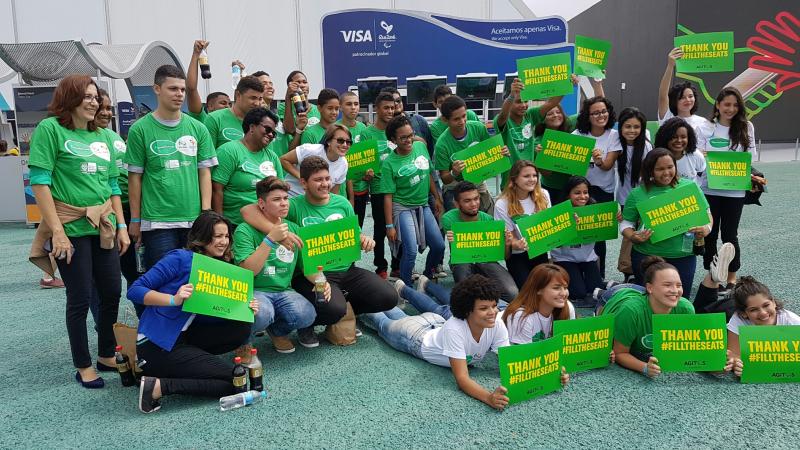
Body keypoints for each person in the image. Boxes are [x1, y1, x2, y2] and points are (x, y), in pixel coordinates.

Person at [28, 74, 129, 388]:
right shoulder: (51, 130)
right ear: (69, 98)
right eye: (86, 96)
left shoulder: (101, 136)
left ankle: (106, 354)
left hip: (104, 225)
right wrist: (56, 232)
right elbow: (41, 182)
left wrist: (122, 226)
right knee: (80, 296)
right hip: (70, 226)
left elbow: (113, 185)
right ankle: (83, 364)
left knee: (112, 290)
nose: (94, 102)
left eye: (95, 96)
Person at [242, 156, 398, 343]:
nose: (325, 184)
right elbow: (247, 211)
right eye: (318, 180)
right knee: (333, 309)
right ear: (304, 182)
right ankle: (309, 323)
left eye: (327, 178)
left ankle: (346, 311)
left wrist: (364, 240)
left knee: (388, 297)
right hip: (310, 273)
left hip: (346, 270)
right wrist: (277, 234)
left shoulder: (342, 203)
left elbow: (354, 235)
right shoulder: (293, 205)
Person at [129, 211, 259, 413]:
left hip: (184, 338)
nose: (223, 242)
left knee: (241, 326)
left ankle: (175, 370)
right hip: (156, 344)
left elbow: (208, 315)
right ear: (202, 236)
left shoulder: (220, 267)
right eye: (217, 236)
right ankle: (158, 387)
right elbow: (135, 290)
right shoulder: (179, 258)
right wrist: (174, 299)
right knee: (235, 380)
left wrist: (244, 307)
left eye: (226, 236)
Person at [360, 275, 517, 410]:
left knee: (397, 315)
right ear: (468, 310)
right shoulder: (455, 328)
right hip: (413, 336)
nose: (493, 312)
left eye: (494, 306)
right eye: (484, 308)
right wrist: (489, 397)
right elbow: (462, 379)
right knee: (377, 320)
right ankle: (356, 297)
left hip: (435, 322)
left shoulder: (496, 323)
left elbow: (508, 362)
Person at [125, 65, 217, 278]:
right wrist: (136, 220)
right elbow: (135, 178)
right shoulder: (140, 129)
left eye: (182, 90)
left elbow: (205, 173)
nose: (179, 94)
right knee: (163, 281)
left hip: (194, 220)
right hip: (157, 222)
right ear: (157, 89)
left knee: (195, 280)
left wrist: (205, 213)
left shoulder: (198, 128)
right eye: (173, 89)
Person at [233, 177, 318, 353]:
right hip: (254, 290)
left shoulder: (293, 229)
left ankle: (277, 332)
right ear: (261, 204)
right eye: (276, 199)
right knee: (262, 314)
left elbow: (307, 267)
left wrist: (320, 281)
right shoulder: (244, 230)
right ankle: (243, 342)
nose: (284, 203)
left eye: (285, 198)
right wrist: (270, 239)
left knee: (308, 315)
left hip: (283, 290)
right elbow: (248, 271)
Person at [697, 87, 764, 291]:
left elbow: (749, 157)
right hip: (708, 189)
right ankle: (713, 277)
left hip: (735, 190)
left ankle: (732, 278)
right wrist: (704, 154)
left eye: (735, 105)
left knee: (730, 234)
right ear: (717, 105)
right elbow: (698, 157)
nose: (731, 109)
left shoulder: (746, 127)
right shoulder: (705, 127)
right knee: (710, 234)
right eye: (727, 104)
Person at [620, 148, 712, 295]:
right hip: (647, 256)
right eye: (660, 169)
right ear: (650, 170)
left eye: (670, 167)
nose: (666, 172)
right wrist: (632, 236)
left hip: (683, 256)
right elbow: (626, 223)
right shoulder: (637, 194)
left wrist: (707, 228)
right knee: (648, 300)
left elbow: (707, 213)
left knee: (680, 299)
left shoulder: (689, 186)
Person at [601, 256, 695, 378]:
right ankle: (604, 291)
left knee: (645, 295)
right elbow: (620, 353)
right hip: (615, 296)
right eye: (667, 285)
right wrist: (644, 367)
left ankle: (638, 288)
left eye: (679, 285)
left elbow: (690, 349)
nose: (675, 290)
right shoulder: (630, 311)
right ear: (650, 287)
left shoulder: (686, 309)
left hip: (646, 295)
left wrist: (718, 362)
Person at [381, 114, 445, 285]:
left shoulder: (420, 147)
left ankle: (426, 277)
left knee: (439, 246)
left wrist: (437, 198)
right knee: (410, 251)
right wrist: (389, 226)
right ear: (393, 140)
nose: (409, 140)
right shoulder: (389, 163)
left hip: (423, 204)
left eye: (410, 135)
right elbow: (387, 197)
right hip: (401, 207)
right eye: (403, 138)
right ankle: (404, 287)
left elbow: (429, 174)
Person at [440, 181, 518, 302]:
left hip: (487, 260)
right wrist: (452, 239)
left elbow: (505, 256)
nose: (474, 204)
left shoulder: (489, 220)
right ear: (456, 204)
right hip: (462, 260)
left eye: (476, 199)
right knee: (466, 296)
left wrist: (507, 244)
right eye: (467, 201)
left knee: (512, 294)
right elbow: (458, 251)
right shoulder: (449, 218)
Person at [573, 96, 621, 279]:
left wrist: (599, 160)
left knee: (598, 236)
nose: (600, 115)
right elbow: (566, 161)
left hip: (603, 192)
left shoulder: (614, 135)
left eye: (603, 111)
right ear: (588, 115)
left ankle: (598, 276)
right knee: (579, 233)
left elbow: (608, 165)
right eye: (595, 113)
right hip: (581, 189)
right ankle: (577, 273)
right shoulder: (578, 135)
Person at [435, 94, 507, 213]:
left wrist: (502, 153)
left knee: (490, 217)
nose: (462, 121)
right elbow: (445, 178)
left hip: (478, 181)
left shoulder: (478, 128)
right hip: (455, 186)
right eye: (456, 119)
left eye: (464, 116)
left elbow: (493, 152)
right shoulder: (442, 144)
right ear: (446, 120)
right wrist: (454, 172)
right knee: (457, 221)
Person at [211, 107, 283, 227]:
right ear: (252, 127)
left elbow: (280, 190)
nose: (270, 134)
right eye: (267, 129)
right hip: (236, 224)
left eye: (273, 133)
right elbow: (216, 190)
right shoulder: (229, 151)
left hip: (268, 224)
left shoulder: (272, 157)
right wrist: (221, 225)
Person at [724, 275, 800, 377]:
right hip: (724, 311)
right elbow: (733, 354)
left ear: (773, 302)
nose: (763, 313)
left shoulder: (792, 321)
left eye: (766, 305)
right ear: (744, 313)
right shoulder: (738, 319)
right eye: (753, 309)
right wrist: (738, 365)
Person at [358, 92, 399, 278]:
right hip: (378, 190)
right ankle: (381, 267)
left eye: (392, 107)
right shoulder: (367, 133)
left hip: (399, 189)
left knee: (399, 229)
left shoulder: (397, 129)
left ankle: (397, 265)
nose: (390, 111)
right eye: (386, 107)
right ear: (376, 109)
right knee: (380, 230)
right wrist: (366, 174)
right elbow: (362, 166)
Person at [494, 160, 551, 288]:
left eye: (534, 175)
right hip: (517, 255)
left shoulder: (544, 195)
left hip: (539, 250)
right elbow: (509, 238)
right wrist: (517, 244)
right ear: (514, 179)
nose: (532, 179)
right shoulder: (502, 204)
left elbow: (550, 226)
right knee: (526, 289)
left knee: (545, 287)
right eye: (526, 176)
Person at [551, 177, 605, 306]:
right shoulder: (558, 211)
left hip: (587, 257)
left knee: (595, 290)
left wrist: (615, 218)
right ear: (568, 194)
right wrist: (568, 226)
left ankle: (600, 282)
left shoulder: (594, 208)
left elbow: (605, 230)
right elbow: (554, 242)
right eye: (577, 193)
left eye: (585, 192)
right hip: (565, 257)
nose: (582, 196)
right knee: (578, 293)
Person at [615, 107, 652, 281]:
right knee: (628, 235)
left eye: (636, 127)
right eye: (627, 126)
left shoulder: (645, 146)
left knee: (642, 234)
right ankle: (627, 272)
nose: (632, 131)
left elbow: (647, 177)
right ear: (620, 127)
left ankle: (640, 271)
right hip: (622, 199)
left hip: (641, 200)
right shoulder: (614, 142)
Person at [503, 264, 576, 344]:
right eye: (556, 288)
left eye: (565, 288)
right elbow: (522, 354)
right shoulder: (521, 316)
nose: (563, 293)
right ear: (538, 289)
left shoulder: (567, 307)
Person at [280, 124, 350, 197]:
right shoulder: (311, 150)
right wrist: (303, 177)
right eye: (340, 140)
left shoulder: (344, 164)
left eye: (348, 142)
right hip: (292, 196)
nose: (345, 145)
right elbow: (283, 160)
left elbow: (333, 193)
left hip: (315, 203)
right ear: (329, 141)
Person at [204, 76, 265, 149]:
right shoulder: (214, 119)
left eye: (260, 99)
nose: (257, 103)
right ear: (238, 95)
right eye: (253, 98)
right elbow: (207, 156)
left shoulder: (262, 123)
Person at [657, 48, 710, 130]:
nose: (688, 100)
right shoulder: (668, 117)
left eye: (690, 96)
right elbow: (663, 96)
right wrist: (670, 65)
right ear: (674, 100)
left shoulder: (703, 122)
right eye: (682, 97)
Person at [338, 91, 369, 226]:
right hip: (342, 189)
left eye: (356, 104)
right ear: (340, 107)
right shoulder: (336, 129)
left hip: (361, 187)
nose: (353, 107)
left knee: (358, 228)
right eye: (349, 104)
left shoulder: (363, 128)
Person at [381, 86, 434, 156]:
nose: (396, 104)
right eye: (393, 102)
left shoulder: (419, 120)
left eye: (398, 100)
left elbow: (430, 150)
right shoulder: (382, 128)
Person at [185, 40, 230, 123]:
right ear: (210, 106)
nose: (227, 107)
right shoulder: (203, 119)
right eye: (223, 103)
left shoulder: (232, 123)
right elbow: (191, 89)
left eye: (229, 104)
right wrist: (196, 54)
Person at [654, 117, 705, 185]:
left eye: (683, 137)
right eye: (674, 137)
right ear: (665, 138)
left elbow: (701, 171)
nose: (679, 140)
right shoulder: (655, 157)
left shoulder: (696, 155)